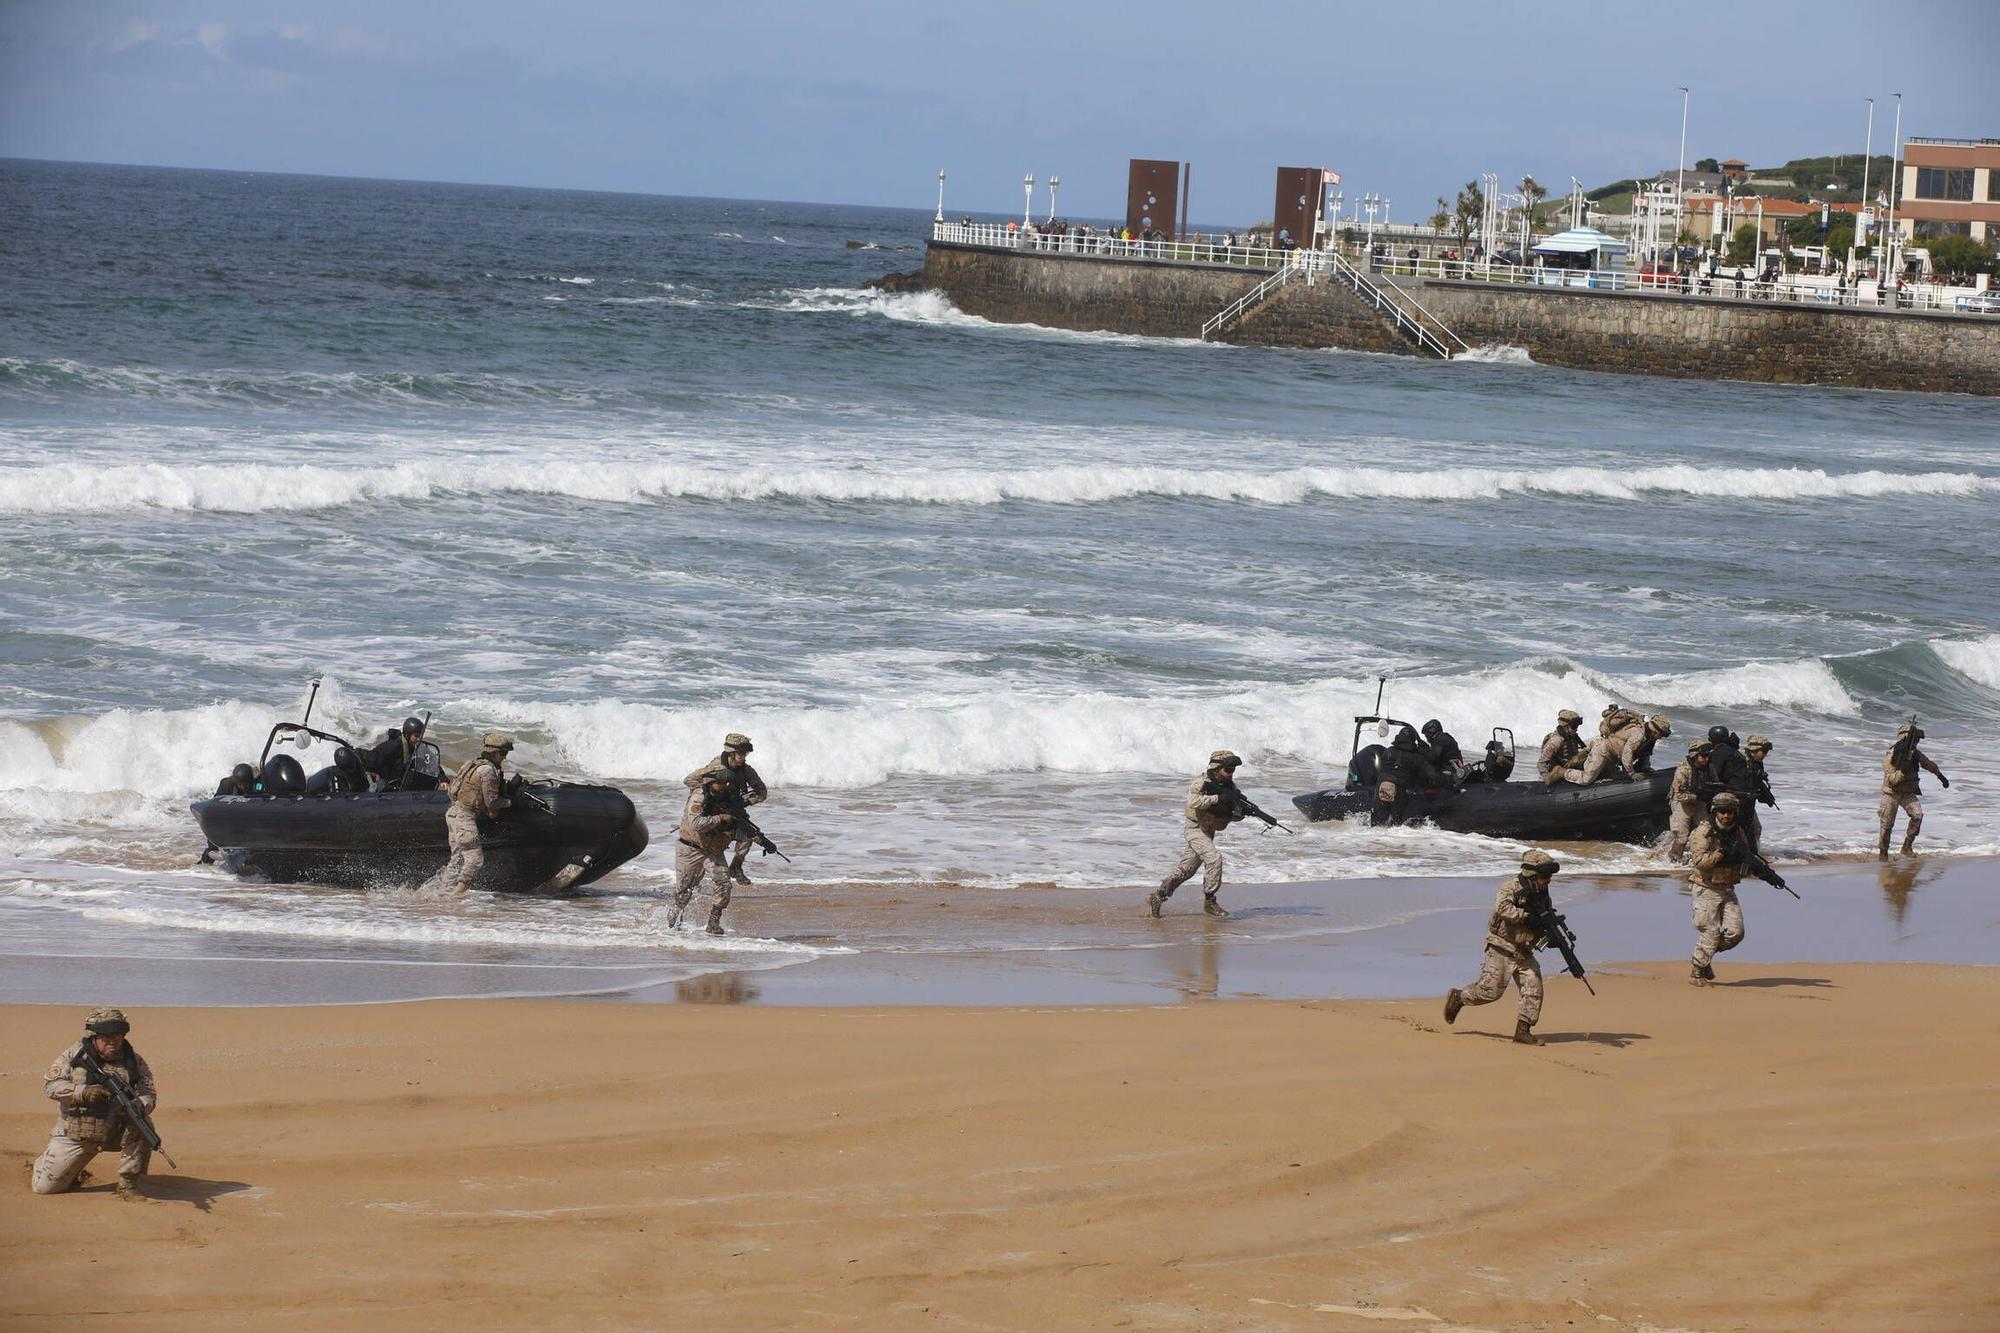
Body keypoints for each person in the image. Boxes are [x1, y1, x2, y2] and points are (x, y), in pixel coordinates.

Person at [31, 1008, 158, 1198]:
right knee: (44, 1189)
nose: (112, 1041)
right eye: (105, 1036)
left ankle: (128, 1183)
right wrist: (83, 1092)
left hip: (116, 1130)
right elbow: (51, 1085)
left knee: (142, 1123)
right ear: (93, 1036)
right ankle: (53, 1165)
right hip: (75, 1133)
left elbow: (148, 1093)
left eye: (117, 1035)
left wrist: (141, 1104)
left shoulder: (134, 1061)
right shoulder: (73, 1056)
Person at [1443, 849, 1560, 1045]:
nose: (1548, 880)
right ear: (1532, 874)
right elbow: (1503, 909)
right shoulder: (1510, 887)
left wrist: (1549, 936)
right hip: (1501, 946)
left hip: (1523, 950)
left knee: (1534, 987)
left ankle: (1523, 1030)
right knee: (1490, 992)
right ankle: (1459, 997)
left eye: (1549, 877)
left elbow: (1542, 920)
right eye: (1544, 876)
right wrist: (1526, 917)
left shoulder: (1542, 895)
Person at [1148, 750, 1249, 919]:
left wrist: (1238, 812)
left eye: (1233, 770)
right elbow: (1193, 801)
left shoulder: (1229, 788)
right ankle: (1210, 901)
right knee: (1214, 858)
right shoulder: (1201, 783)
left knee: (1185, 871)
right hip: (1194, 830)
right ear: (1217, 768)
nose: (1231, 773)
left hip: (1208, 831)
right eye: (1228, 769)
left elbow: (1229, 814)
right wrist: (1217, 798)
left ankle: (1158, 896)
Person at [426, 732, 514, 894]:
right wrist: (512, 802)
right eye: (504, 754)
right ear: (495, 753)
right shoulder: (487, 771)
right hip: (465, 817)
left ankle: (441, 894)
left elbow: (452, 792)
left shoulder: (471, 764)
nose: (504, 758)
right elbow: (492, 802)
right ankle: (455, 897)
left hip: (453, 813)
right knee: (475, 860)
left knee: (457, 860)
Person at [681, 733, 768, 885]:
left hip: (732, 810)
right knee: (701, 849)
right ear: (731, 753)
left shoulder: (746, 771)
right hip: (707, 813)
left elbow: (762, 792)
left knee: (749, 835)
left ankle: (736, 867)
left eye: (745, 753)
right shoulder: (715, 767)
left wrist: (742, 802)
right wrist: (709, 795)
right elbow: (689, 780)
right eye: (741, 753)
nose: (744, 757)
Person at [1687, 793, 1751, 984]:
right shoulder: (1703, 833)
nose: (1726, 816)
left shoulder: (1738, 832)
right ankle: (1697, 970)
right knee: (1711, 931)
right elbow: (1700, 862)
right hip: (1706, 888)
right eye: (1722, 812)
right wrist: (1721, 853)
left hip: (1728, 887)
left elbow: (1746, 857)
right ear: (1715, 812)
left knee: (1736, 933)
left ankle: (1704, 958)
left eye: (1730, 812)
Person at [672, 768, 739, 935]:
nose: (722, 786)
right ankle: (672, 925)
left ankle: (713, 922)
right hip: (690, 848)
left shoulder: (726, 797)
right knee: (684, 891)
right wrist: (720, 818)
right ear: (710, 783)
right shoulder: (699, 796)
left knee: (724, 883)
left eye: (725, 783)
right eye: (719, 783)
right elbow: (696, 824)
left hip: (712, 849)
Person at [1878, 723, 1948, 857]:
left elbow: (1928, 764)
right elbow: (1890, 780)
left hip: (1907, 793)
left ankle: (1906, 847)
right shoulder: (1892, 755)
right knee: (1887, 825)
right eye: (1913, 739)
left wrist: (1940, 776)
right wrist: (1903, 770)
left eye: (1917, 740)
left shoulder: (1915, 754)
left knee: (1917, 815)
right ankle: (1883, 854)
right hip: (1891, 792)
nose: (1916, 743)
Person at [1373, 725, 1447, 825]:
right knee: (1396, 825)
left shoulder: (1388, 751)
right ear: (1412, 741)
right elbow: (1434, 775)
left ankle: (1374, 840)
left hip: (1382, 787)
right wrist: (1450, 780)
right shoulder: (1417, 758)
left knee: (1377, 824)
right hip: (1400, 791)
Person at [1578, 713, 1671, 784]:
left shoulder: (1650, 738)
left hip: (1612, 758)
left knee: (1604, 777)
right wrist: (1632, 773)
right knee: (1587, 779)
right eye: (1661, 734)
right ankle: (1565, 773)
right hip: (1602, 750)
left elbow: (1645, 754)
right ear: (1655, 731)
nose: (1661, 737)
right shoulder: (1638, 734)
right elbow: (1627, 754)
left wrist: (1645, 768)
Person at [1667, 739, 1715, 862]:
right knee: (1682, 836)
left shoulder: (1709, 768)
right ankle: (1674, 861)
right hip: (1683, 805)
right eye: (1703, 756)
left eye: (1708, 756)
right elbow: (1678, 796)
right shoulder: (1683, 770)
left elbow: (1715, 785)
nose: (1706, 759)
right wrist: (1697, 796)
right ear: (1695, 756)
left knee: (1705, 832)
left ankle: (1700, 858)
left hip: (1700, 804)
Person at [367, 716, 433, 790]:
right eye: (416, 736)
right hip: (390, 786)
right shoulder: (392, 746)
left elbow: (431, 761)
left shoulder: (416, 746)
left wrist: (443, 779)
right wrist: (374, 773)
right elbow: (369, 758)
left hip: (402, 782)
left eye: (420, 736)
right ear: (407, 736)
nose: (419, 739)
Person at [1742, 734, 1777, 852]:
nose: (1765, 755)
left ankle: (1754, 852)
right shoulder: (1740, 760)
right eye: (1764, 751)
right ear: (1755, 749)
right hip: (1737, 801)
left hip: (1748, 801)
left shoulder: (1756, 762)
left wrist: (1766, 795)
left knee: (1756, 828)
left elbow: (1757, 781)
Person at [1537, 709, 1588, 785]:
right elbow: (1541, 763)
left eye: (1577, 726)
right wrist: (1546, 778)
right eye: (1573, 726)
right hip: (1556, 772)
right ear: (1565, 726)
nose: (1576, 729)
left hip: (1567, 766)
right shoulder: (1556, 741)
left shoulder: (1572, 736)